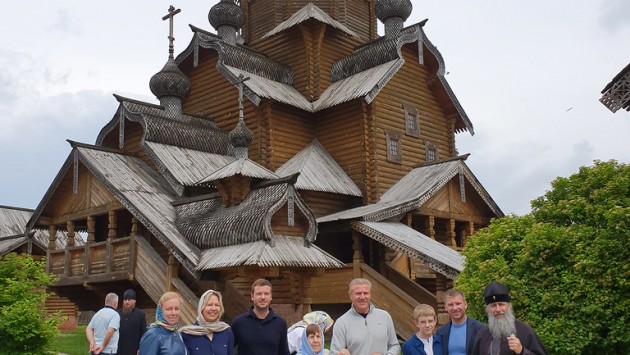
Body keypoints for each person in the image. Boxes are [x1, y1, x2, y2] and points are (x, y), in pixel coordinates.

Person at [471, 281, 548, 355]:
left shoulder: (526, 332)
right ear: (487, 309)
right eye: (493, 305)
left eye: (501, 304)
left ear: (509, 306)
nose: (498, 309)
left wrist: (522, 351)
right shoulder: (482, 334)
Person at [329, 278, 400, 355]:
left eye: (365, 293)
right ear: (350, 295)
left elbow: (395, 346)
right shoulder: (342, 323)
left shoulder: (384, 316)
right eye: (358, 293)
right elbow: (334, 352)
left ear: (370, 295)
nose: (362, 297)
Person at [231, 278, 290, 355]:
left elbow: (284, 352)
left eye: (266, 294)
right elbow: (227, 348)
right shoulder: (238, 323)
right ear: (252, 296)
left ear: (271, 296)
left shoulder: (280, 323)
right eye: (259, 294)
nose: (263, 297)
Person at [180, 289, 234, 355]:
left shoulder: (227, 331)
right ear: (201, 308)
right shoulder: (188, 334)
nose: (213, 308)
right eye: (209, 305)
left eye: (217, 305)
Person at [435, 288, 485, 355]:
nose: (455, 308)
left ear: (465, 305)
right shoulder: (441, 332)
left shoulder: (479, 329)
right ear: (445, 307)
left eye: (458, 303)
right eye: (450, 305)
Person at [117, 289, 146, 355]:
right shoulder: (117, 314)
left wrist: (140, 348)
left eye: (129, 300)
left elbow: (143, 333)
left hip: (133, 350)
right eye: (125, 300)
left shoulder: (140, 315)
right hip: (118, 350)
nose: (127, 302)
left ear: (134, 301)